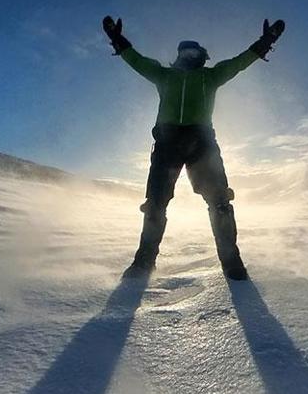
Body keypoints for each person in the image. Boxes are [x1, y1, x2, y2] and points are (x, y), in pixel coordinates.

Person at [102, 16, 285, 281]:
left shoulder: (210, 77)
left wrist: (265, 42)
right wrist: (118, 39)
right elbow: (137, 60)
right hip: (167, 144)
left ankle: (232, 264)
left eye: (193, 52)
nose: (188, 56)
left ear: (201, 56)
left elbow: (239, 62)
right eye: (184, 52)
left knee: (220, 201)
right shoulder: (163, 75)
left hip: (202, 144)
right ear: (178, 55)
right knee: (155, 204)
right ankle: (143, 263)